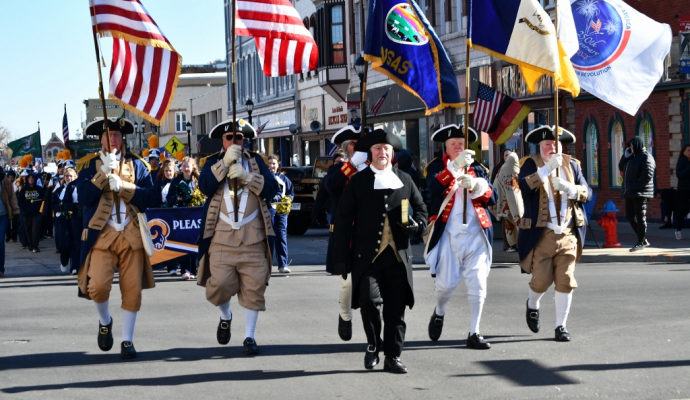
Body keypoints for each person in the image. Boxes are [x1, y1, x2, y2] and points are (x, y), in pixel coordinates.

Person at [333, 129, 427, 373]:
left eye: (386, 149)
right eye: (377, 148)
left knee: (396, 310)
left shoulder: (405, 179)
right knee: (369, 302)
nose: (382, 152)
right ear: (370, 154)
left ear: (392, 153)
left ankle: (393, 357)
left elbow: (421, 210)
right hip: (367, 259)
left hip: (398, 258)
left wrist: (416, 226)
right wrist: (341, 257)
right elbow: (343, 219)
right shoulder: (358, 181)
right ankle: (374, 344)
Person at [75, 116, 156, 359]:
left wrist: (124, 187)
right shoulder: (88, 165)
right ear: (101, 138)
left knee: (132, 291)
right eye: (109, 135)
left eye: (118, 135)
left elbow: (151, 198)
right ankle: (105, 321)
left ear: (123, 139)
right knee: (97, 287)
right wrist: (102, 176)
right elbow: (83, 197)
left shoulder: (138, 165)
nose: (113, 139)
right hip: (102, 235)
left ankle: (128, 341)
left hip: (131, 235)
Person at [196, 119, 279, 355]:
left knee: (254, 289)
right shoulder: (211, 162)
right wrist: (223, 164)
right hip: (222, 237)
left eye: (239, 138)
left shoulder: (257, 162)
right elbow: (205, 186)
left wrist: (248, 177)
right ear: (222, 141)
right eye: (230, 138)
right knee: (219, 286)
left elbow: (272, 190)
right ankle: (226, 315)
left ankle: (249, 337)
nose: (235, 141)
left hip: (253, 236)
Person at [423, 125, 496, 349]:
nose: (458, 146)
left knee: (478, 284)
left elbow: (491, 198)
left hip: (476, 234)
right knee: (445, 286)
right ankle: (439, 310)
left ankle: (474, 332)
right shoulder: (436, 167)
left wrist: (476, 185)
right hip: (448, 235)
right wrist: (455, 167)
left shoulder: (479, 168)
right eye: (453, 143)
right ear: (445, 146)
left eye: (461, 143)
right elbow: (433, 189)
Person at [518, 125, 591, 342]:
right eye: (547, 144)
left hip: (568, 233)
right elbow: (524, 187)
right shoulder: (530, 164)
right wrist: (546, 169)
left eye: (555, 144)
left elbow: (587, 192)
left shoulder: (572, 165)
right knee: (540, 282)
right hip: (542, 235)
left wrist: (570, 188)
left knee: (566, 280)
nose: (552, 147)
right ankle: (532, 304)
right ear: (540, 146)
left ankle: (561, 326)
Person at [323, 125, 364, 341]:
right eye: (355, 145)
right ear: (347, 148)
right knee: (347, 282)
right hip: (345, 233)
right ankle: (345, 315)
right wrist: (351, 166)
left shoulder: (371, 167)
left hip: (367, 230)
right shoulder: (337, 169)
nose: (360, 149)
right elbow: (331, 186)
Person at [167, 156, 204, 279]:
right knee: (184, 242)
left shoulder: (198, 180)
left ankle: (194, 269)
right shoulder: (176, 181)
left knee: (196, 241)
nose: (186, 168)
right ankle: (185, 270)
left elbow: (205, 195)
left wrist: (200, 199)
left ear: (193, 167)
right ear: (181, 168)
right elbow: (169, 197)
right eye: (184, 166)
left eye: (188, 166)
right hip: (181, 216)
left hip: (196, 216)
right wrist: (177, 199)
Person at [618, 136, 655, 250]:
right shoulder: (631, 158)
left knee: (640, 217)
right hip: (630, 192)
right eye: (629, 147)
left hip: (641, 192)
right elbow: (621, 167)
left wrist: (634, 186)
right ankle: (642, 239)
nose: (631, 149)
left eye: (632, 146)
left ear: (637, 145)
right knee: (629, 217)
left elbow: (647, 175)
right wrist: (625, 156)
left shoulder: (646, 157)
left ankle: (640, 242)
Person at [267, 155, 294, 274]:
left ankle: (283, 264)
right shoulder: (264, 177)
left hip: (281, 212)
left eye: (274, 163)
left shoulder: (284, 179)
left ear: (278, 165)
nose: (271, 166)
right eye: (269, 163)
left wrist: (287, 200)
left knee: (281, 237)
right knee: (268, 238)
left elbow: (290, 193)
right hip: (268, 210)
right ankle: (266, 266)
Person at [491, 149, 522, 252]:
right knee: (508, 223)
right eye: (506, 155)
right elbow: (494, 185)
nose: (508, 157)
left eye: (510, 156)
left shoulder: (517, 168)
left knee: (516, 220)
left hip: (514, 198)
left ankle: (518, 243)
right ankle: (509, 244)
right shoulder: (499, 169)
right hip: (505, 200)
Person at [52, 165, 77, 273]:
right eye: (66, 176)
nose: (68, 178)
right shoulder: (59, 190)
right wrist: (60, 208)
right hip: (62, 219)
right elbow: (52, 203)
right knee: (65, 243)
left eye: (71, 176)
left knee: (75, 243)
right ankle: (64, 261)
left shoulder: (78, 188)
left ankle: (74, 266)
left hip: (75, 218)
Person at [62, 164, 83, 276]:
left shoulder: (89, 183)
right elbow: (66, 203)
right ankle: (76, 266)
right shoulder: (71, 186)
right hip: (76, 217)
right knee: (76, 242)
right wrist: (75, 206)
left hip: (89, 217)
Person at [18, 173, 45, 253]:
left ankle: (35, 246)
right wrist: (24, 209)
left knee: (35, 229)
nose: (31, 179)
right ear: (27, 179)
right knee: (28, 229)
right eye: (29, 178)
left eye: (32, 178)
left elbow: (43, 200)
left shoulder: (40, 189)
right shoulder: (24, 189)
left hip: (37, 213)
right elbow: (20, 200)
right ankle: (30, 244)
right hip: (26, 213)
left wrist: (40, 210)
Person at [0, 169, 20, 278]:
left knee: (0, 241)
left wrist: (15, 210)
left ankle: (0, 268)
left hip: (2, 214)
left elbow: (12, 195)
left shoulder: (4, 179)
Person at [674, 144, 690, 238]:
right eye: (688, 150)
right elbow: (679, 175)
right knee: (682, 210)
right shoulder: (681, 162)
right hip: (683, 189)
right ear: (684, 152)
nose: (689, 152)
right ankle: (678, 229)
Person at [4, 170, 20, 243]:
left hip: (14, 205)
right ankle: (8, 236)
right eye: (9, 177)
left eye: (12, 177)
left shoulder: (16, 184)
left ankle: (14, 236)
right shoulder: (5, 184)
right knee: (7, 223)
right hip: (7, 206)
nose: (11, 179)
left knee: (14, 223)